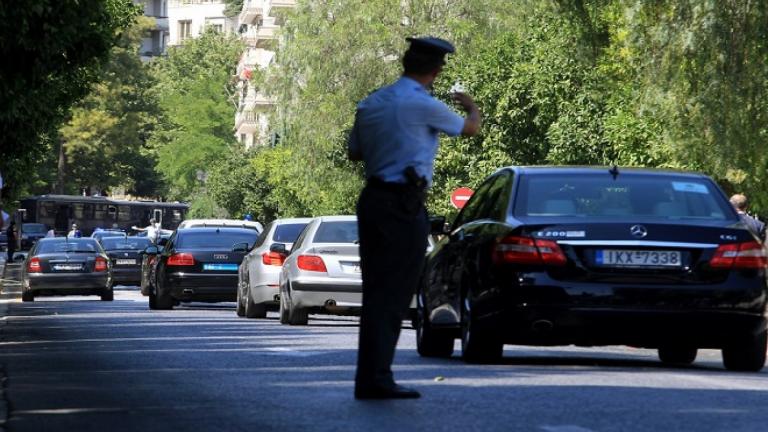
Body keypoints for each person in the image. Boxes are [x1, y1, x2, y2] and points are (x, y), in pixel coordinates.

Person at [348, 36, 481, 399]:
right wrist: (471, 106)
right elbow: (470, 129)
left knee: (376, 292)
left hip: (372, 199)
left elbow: (355, 152)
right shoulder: (423, 104)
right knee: (394, 293)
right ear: (436, 71)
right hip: (403, 205)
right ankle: (377, 378)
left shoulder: (371, 102)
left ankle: (370, 376)